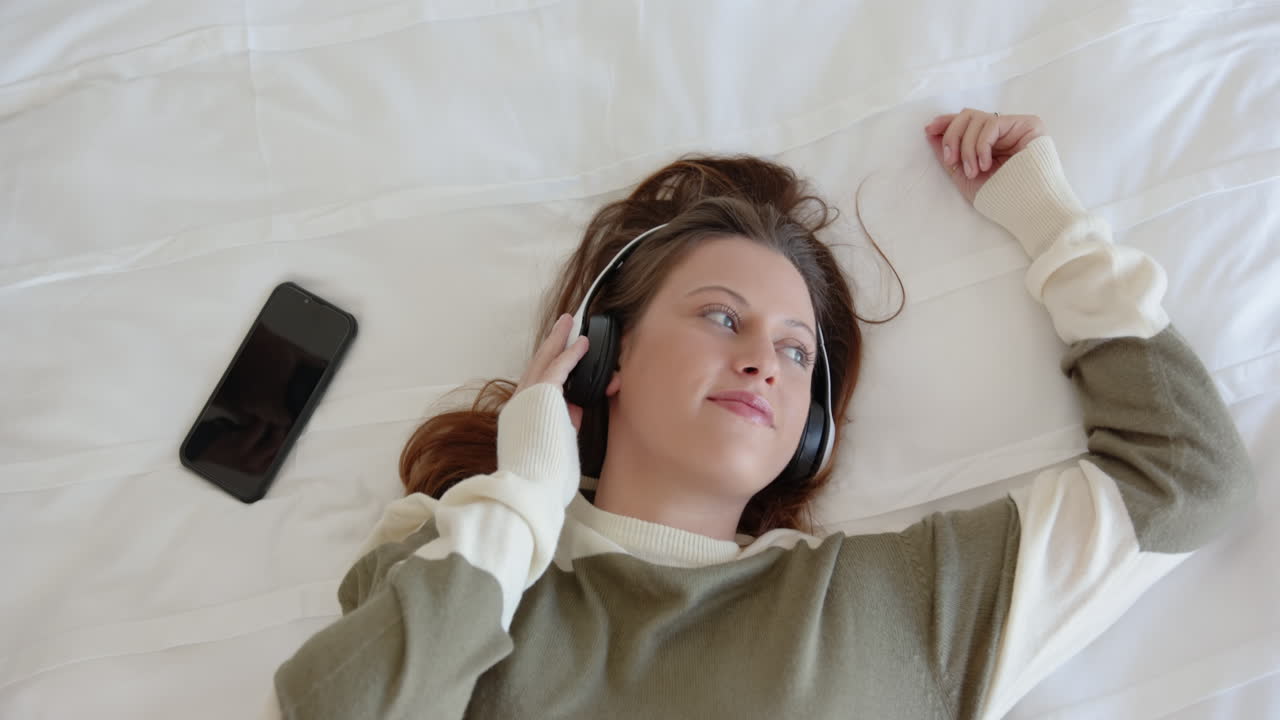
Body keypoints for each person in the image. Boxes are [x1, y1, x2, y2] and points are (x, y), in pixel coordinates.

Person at [270, 109, 1255, 719]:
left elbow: (1184, 479)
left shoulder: (897, 603)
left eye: (796, 351)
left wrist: (1052, 230)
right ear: (600, 360)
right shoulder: (462, 557)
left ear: (812, 427)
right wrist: (523, 498)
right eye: (720, 317)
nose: (763, 360)